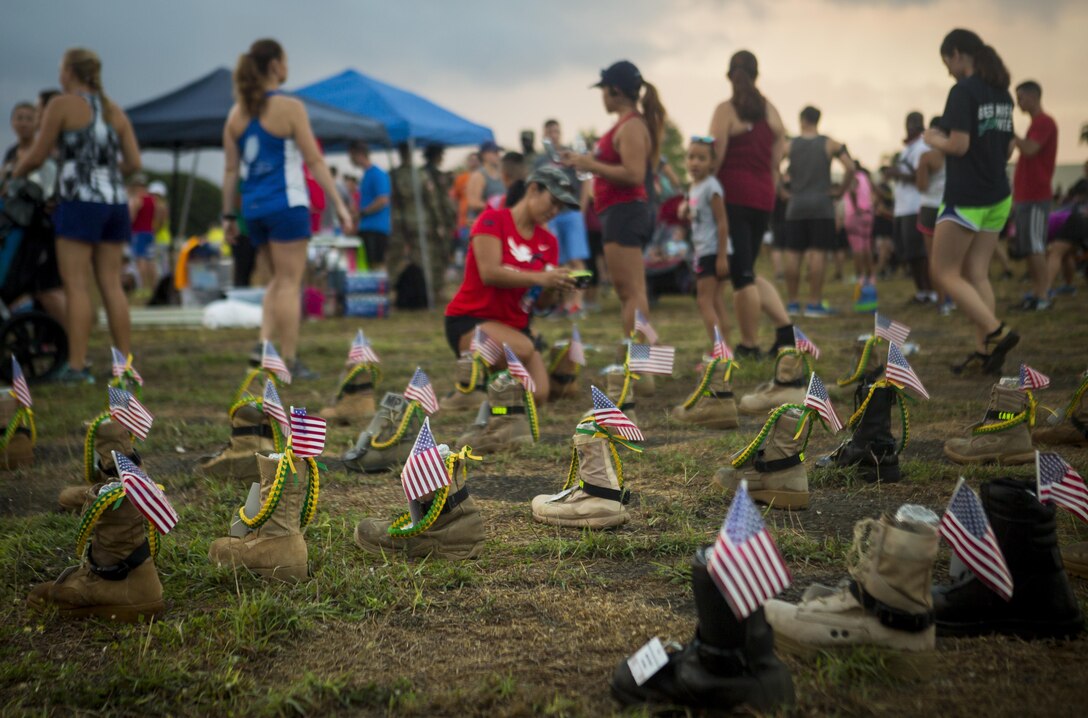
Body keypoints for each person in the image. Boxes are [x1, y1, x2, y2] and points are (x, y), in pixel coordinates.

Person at [221, 39, 351, 377]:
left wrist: (227, 216)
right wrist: (339, 204)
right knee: (291, 283)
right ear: (276, 65)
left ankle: (264, 346)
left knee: (275, 282)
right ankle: (289, 360)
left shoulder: (236, 115)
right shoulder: (289, 108)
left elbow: (231, 171)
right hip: (287, 205)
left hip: (254, 209)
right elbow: (315, 160)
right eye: (285, 60)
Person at [12, 48, 140, 384]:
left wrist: (13, 176)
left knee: (77, 285)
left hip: (79, 201)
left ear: (69, 72)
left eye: (61, 70)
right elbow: (134, 163)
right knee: (112, 285)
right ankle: (124, 366)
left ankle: (78, 365)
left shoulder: (62, 104)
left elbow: (38, 155)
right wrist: (106, 173)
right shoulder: (115, 112)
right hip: (114, 202)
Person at [924, 28, 1019, 375]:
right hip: (998, 194)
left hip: (967, 196)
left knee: (944, 272)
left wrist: (934, 137)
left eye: (946, 61)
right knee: (976, 272)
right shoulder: (1002, 92)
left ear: (958, 54)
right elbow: (1009, 147)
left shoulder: (962, 91)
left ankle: (997, 332)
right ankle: (984, 351)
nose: (947, 70)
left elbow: (959, 145)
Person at [443, 166, 579, 404]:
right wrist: (540, 278)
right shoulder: (492, 220)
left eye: (560, 207)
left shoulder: (549, 242)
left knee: (538, 395)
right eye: (553, 202)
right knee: (524, 349)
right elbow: (490, 273)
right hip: (472, 321)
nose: (555, 211)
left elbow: (539, 303)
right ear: (533, 189)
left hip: (516, 330)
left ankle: (479, 386)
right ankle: (468, 386)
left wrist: (555, 288)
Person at [564, 60, 665, 336]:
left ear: (615, 91)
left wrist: (592, 164)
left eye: (603, 91)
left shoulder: (631, 125)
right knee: (629, 292)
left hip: (625, 212)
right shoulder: (624, 124)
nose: (602, 98)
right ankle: (643, 363)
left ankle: (642, 369)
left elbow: (634, 174)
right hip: (618, 213)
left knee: (631, 293)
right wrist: (584, 161)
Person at [709, 50, 794, 358]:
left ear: (729, 75)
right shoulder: (771, 111)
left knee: (742, 275)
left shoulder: (725, 110)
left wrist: (700, 193)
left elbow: (715, 158)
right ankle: (786, 331)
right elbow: (777, 156)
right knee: (747, 269)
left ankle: (749, 345)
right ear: (757, 75)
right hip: (763, 197)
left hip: (733, 197)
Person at [780, 105, 855, 317]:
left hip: (796, 205)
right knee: (818, 254)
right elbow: (850, 167)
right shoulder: (829, 143)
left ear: (801, 120)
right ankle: (814, 303)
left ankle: (793, 304)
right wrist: (841, 190)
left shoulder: (790, 145)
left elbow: (772, 165)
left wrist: (782, 191)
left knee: (793, 254)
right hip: (822, 205)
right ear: (817, 120)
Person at [1010, 80, 1058, 311]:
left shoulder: (1044, 122)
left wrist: (1010, 133)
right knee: (1029, 247)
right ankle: (1038, 293)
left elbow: (1030, 149)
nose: (1018, 102)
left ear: (1032, 96)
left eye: (1020, 97)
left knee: (1036, 246)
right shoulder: (1035, 124)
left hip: (1037, 196)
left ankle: (1043, 295)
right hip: (1025, 196)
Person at [678, 137, 731, 342]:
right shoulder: (695, 187)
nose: (695, 162)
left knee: (704, 301)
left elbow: (722, 222)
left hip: (711, 252)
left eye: (701, 158)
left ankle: (719, 350)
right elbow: (696, 212)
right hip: (705, 250)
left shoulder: (712, 186)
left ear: (712, 163)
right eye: (691, 157)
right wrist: (685, 210)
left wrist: (721, 257)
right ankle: (727, 351)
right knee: (716, 301)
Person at [535, 119, 590, 315]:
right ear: (544, 134)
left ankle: (578, 303)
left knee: (576, 259)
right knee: (558, 261)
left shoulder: (569, 155)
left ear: (561, 133)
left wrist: (582, 208)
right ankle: (564, 303)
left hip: (571, 213)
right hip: (551, 216)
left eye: (556, 131)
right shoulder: (540, 161)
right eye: (549, 131)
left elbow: (586, 180)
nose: (553, 134)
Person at [887, 112, 936, 304]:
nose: (910, 126)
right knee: (909, 254)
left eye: (914, 122)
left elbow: (921, 177)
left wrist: (898, 174)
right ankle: (921, 292)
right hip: (902, 208)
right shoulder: (907, 148)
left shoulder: (922, 147)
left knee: (920, 254)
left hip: (915, 206)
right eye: (908, 122)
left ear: (921, 124)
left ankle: (930, 291)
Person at [916, 116, 951, 313]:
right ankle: (956, 297)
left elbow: (921, 186)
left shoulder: (927, 157)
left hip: (930, 207)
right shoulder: (958, 153)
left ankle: (942, 301)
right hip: (951, 207)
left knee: (934, 258)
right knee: (952, 258)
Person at [348, 140, 391, 271]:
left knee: (377, 265)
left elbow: (383, 199)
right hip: (366, 227)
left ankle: (380, 290)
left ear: (360, 154)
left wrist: (361, 213)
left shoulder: (377, 174)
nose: (351, 160)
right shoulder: (366, 175)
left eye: (352, 156)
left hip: (376, 228)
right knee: (368, 265)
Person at [127, 173, 158, 296]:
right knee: (151, 261)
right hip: (149, 232)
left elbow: (131, 218)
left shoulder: (137, 200)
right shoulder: (152, 200)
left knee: (141, 261)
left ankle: (143, 287)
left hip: (138, 233)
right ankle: (154, 286)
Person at [466, 141, 505, 226]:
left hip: (498, 221)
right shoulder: (478, 176)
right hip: (484, 224)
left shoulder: (501, 174)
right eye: (495, 152)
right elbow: (473, 203)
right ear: (484, 155)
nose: (498, 155)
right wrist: (496, 205)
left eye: (498, 152)